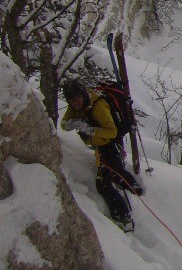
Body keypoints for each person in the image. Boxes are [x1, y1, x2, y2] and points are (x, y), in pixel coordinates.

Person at [60, 80, 142, 232]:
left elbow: (112, 132)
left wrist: (89, 130)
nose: (75, 102)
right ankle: (134, 189)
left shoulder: (98, 107)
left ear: (83, 94)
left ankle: (126, 218)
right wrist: (72, 124)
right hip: (100, 144)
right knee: (115, 173)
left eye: (77, 97)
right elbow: (63, 124)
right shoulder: (77, 106)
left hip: (110, 143)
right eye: (71, 100)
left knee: (104, 183)